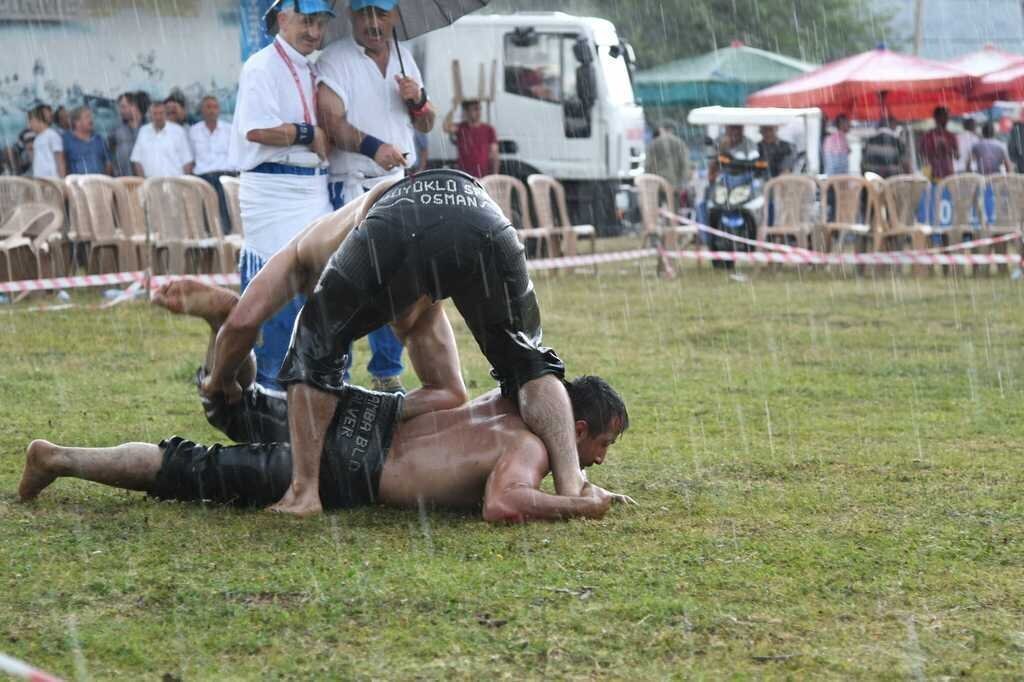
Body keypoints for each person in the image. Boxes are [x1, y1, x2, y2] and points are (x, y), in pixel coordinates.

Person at [17, 280, 629, 522]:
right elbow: (503, 503)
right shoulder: (528, 446)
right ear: (575, 428)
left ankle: (226, 328)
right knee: (188, 466)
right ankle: (58, 457)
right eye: (603, 444)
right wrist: (580, 505)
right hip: (351, 468)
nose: (601, 459)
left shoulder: (507, 398)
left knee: (228, 405)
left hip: (357, 411)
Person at [202, 169, 621, 516]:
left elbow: (241, 323)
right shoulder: (415, 293)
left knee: (314, 340)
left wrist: (218, 382)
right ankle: (573, 483)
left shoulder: (300, 253)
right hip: (482, 213)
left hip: (399, 218)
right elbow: (450, 391)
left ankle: (303, 492)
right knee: (527, 361)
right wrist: (384, 412)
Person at [316, 0, 438, 394]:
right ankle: (335, 369)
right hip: (352, 183)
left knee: (395, 280)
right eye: (365, 13)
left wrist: (418, 99)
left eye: (381, 14)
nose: (373, 23)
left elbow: (427, 122)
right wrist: (374, 148)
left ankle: (386, 370)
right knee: (346, 280)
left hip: (397, 181)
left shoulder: (406, 58)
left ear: (395, 16)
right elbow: (331, 121)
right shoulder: (335, 59)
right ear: (351, 16)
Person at [227, 0, 334, 392]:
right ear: (282, 18)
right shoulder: (261, 66)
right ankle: (268, 385)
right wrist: (308, 134)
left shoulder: (313, 68)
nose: (314, 32)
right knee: (274, 285)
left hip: (313, 186)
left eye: (320, 23)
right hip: (272, 188)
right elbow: (256, 129)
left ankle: (319, 382)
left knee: (321, 284)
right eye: (307, 22)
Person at [189, 95, 237, 231]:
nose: (211, 110)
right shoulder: (194, 131)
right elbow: (191, 158)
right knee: (205, 210)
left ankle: (226, 233)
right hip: (203, 176)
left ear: (219, 110)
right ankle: (210, 233)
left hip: (224, 174)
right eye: (208, 107)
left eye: (215, 107)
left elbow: (236, 155)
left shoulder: (229, 130)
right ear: (202, 110)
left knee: (224, 206)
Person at [130, 99, 194, 178]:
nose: (158, 117)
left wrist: (184, 182)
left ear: (166, 114)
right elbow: (136, 160)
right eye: (155, 114)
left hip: (175, 181)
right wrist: (143, 182)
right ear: (150, 115)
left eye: (161, 113)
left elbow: (187, 161)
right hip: (151, 182)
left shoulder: (178, 131)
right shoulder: (143, 131)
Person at [444, 99, 499, 178]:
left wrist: (495, 175)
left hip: (484, 175)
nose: (478, 112)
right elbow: (446, 127)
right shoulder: (461, 128)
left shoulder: (489, 129)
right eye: (475, 109)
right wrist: (453, 108)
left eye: (479, 109)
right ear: (466, 112)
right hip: (464, 175)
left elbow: (494, 154)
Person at [63, 106, 111, 175]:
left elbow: (108, 162)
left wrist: (104, 178)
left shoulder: (99, 139)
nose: (91, 120)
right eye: (87, 117)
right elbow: (63, 164)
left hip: (100, 180)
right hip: (77, 181)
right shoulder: (67, 140)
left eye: (91, 117)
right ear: (77, 122)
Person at [645, 119, 690, 190]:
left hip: (658, 181)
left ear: (661, 129)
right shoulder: (680, 143)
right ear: (671, 130)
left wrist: (649, 181)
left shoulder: (654, 144)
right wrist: (683, 181)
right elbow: (685, 163)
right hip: (675, 182)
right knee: (673, 197)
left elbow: (648, 165)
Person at [108, 92, 144, 177]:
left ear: (134, 106)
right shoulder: (116, 131)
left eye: (123, 107)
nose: (121, 111)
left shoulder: (147, 129)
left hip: (146, 181)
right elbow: (110, 153)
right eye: (120, 108)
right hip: (123, 180)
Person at [27, 104, 65, 178]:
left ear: (38, 120)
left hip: (52, 179)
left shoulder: (52, 135)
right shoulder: (37, 139)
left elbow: (60, 159)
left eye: (31, 122)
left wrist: (62, 179)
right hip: (40, 179)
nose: (30, 126)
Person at [920, 107, 958, 181]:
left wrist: (947, 148)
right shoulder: (927, 136)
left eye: (947, 117)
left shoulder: (951, 136)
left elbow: (957, 156)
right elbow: (922, 155)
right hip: (932, 175)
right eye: (944, 116)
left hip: (949, 175)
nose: (946, 119)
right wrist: (935, 151)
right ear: (936, 118)